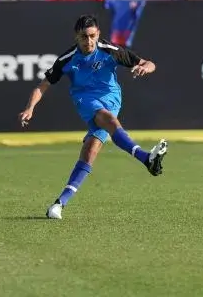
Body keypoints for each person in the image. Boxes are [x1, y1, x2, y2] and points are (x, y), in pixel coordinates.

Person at [18, 15, 168, 220]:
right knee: (109, 120)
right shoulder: (67, 59)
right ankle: (145, 158)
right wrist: (30, 108)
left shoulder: (110, 50)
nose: (88, 41)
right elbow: (42, 85)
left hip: (112, 99)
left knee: (90, 151)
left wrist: (144, 68)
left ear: (98, 34)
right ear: (76, 37)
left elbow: (148, 63)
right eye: (83, 37)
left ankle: (59, 204)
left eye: (92, 36)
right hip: (85, 100)